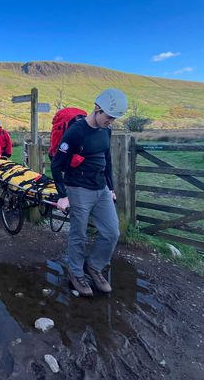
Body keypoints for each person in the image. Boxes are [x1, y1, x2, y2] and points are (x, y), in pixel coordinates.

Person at [51, 88, 128, 297]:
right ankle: (76, 273)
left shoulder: (106, 130)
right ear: (97, 108)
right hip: (78, 188)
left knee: (112, 232)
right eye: (109, 117)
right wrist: (62, 194)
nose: (110, 121)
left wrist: (110, 188)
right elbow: (57, 164)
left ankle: (93, 266)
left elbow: (107, 160)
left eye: (114, 118)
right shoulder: (75, 132)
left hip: (101, 188)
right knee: (78, 233)